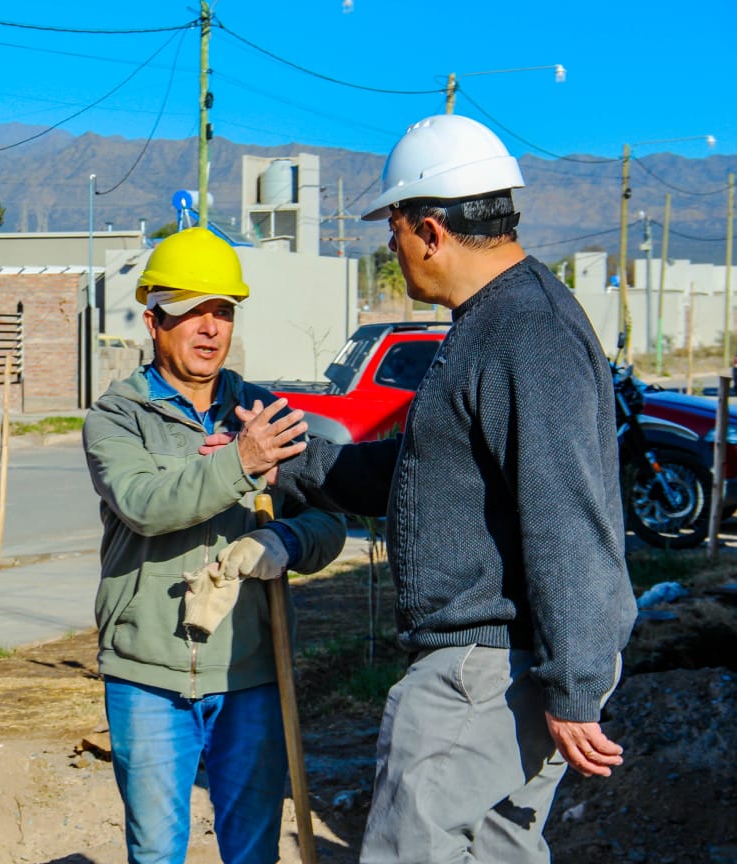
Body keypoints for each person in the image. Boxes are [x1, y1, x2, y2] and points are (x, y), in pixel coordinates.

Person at [215, 115, 638, 863]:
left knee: (409, 850)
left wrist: (575, 684)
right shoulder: (495, 322)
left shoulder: (525, 332)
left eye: (395, 229)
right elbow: (420, 477)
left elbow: (567, 515)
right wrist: (289, 463)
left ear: (433, 231)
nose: (391, 246)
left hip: (482, 672)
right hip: (502, 665)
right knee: (499, 852)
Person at [82, 226, 347, 864]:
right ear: (154, 321)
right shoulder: (117, 417)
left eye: (222, 312)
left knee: (253, 850)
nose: (209, 329)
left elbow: (329, 522)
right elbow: (145, 504)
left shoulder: (264, 414)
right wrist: (240, 463)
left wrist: (285, 539)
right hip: (146, 674)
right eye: (191, 312)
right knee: (156, 851)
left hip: (248, 669)